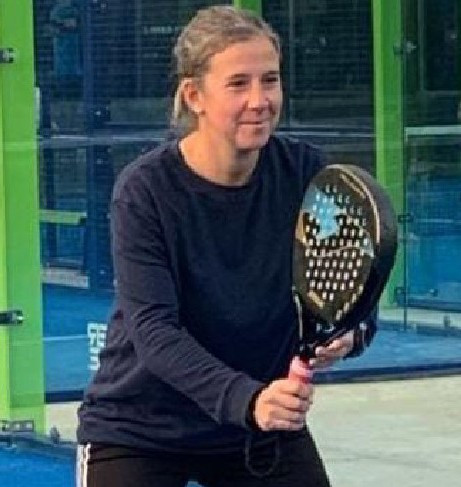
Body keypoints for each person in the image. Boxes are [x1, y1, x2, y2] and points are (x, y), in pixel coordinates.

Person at [76, 6, 376, 487]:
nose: (260, 100)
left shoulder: (308, 174)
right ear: (194, 95)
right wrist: (248, 400)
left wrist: (350, 334)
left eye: (270, 80)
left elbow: (354, 291)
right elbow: (154, 331)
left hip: (259, 427)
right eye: (238, 84)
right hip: (140, 429)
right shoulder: (144, 190)